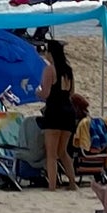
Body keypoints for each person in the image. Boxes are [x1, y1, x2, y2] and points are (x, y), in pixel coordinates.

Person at [38, 38, 79, 188]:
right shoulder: (68, 70)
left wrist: (37, 92)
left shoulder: (50, 70)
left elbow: (46, 94)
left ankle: (52, 186)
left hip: (54, 111)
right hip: (68, 112)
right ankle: (72, 183)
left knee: (52, 154)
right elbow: (72, 92)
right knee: (63, 151)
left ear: (51, 53)